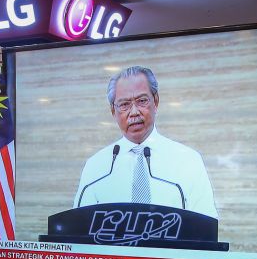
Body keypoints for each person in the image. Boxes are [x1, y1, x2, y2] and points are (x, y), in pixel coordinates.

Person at [74, 66, 217, 218]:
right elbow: (78, 227)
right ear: (113, 111)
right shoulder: (96, 166)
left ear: (155, 102)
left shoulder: (188, 160)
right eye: (124, 105)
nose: (134, 112)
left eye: (142, 101)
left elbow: (206, 224)